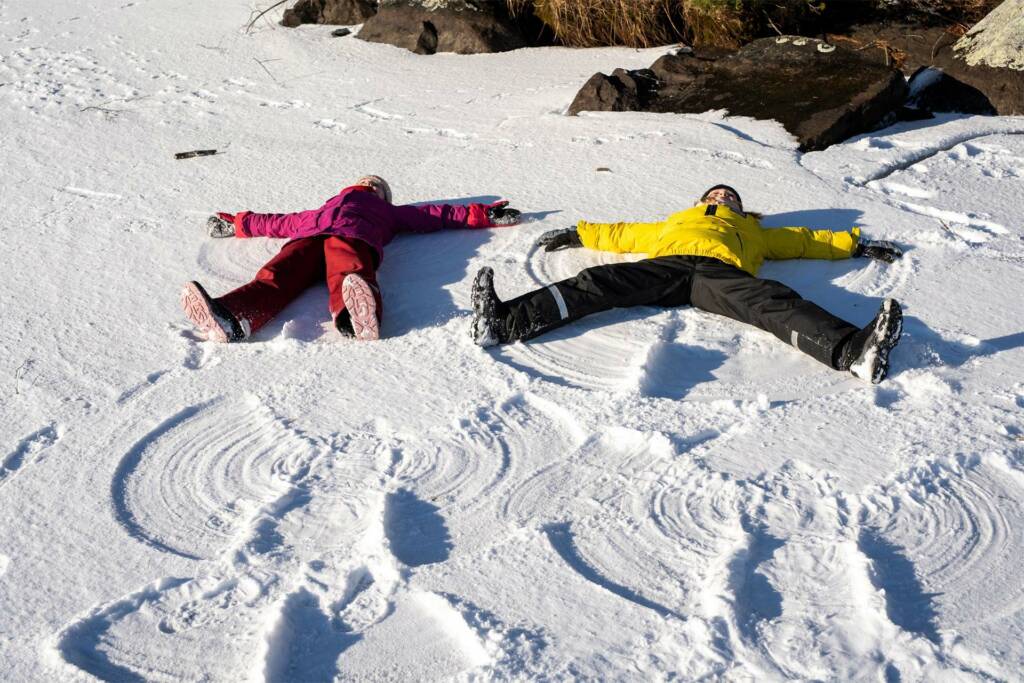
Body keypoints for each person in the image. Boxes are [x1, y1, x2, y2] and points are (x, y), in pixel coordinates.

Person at [470, 184, 904, 383]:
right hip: (668, 266)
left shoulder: (754, 232)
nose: (722, 198)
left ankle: (852, 353)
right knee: (596, 281)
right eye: (715, 195)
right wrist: (581, 234)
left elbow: (805, 240)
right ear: (699, 202)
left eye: (730, 196)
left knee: (773, 302)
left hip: (721, 275)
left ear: (740, 207)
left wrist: (853, 244)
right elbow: (625, 234)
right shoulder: (672, 225)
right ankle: (504, 323)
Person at [182, 175, 520, 342]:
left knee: (349, 270)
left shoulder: (387, 213)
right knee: (277, 274)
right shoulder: (319, 211)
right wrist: (236, 223)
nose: (368, 186)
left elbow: (435, 214)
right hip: (308, 240)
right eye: (365, 183)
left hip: (352, 238)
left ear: (382, 196)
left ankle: (354, 316)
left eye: (375, 186)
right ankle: (233, 316)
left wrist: (483, 214)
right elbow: (275, 222)